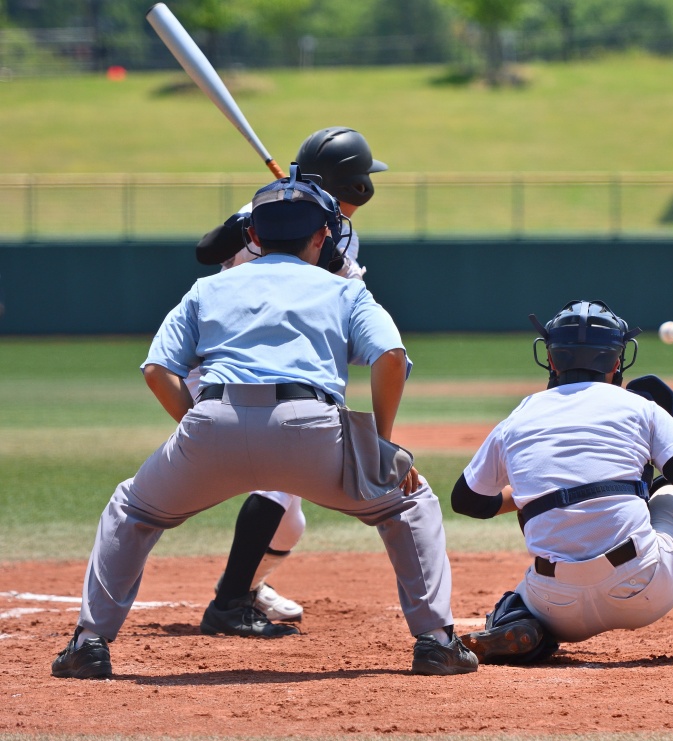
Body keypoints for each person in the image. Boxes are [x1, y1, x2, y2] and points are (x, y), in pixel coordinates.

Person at [51, 168, 477, 679]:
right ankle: (435, 642)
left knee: (131, 510)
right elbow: (390, 356)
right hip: (311, 429)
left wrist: (199, 428)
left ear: (252, 235)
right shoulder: (343, 291)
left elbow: (156, 369)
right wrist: (381, 444)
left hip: (214, 417)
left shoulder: (209, 288)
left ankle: (89, 644)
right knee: (408, 504)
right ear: (322, 236)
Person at [450, 300, 673, 665]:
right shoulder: (640, 407)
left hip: (557, 605)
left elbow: (467, 500)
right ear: (618, 360)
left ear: (552, 359)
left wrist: (533, 495)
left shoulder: (520, 415)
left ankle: (524, 623)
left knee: (524, 596)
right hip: (643, 590)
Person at [192, 127, 389, 626]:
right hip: (226, 368)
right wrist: (251, 222)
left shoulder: (338, 231)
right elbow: (207, 250)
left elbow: (341, 292)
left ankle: (247, 586)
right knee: (278, 481)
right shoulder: (264, 212)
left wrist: (332, 253)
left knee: (290, 520)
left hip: (282, 370)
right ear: (356, 186)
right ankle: (228, 603)